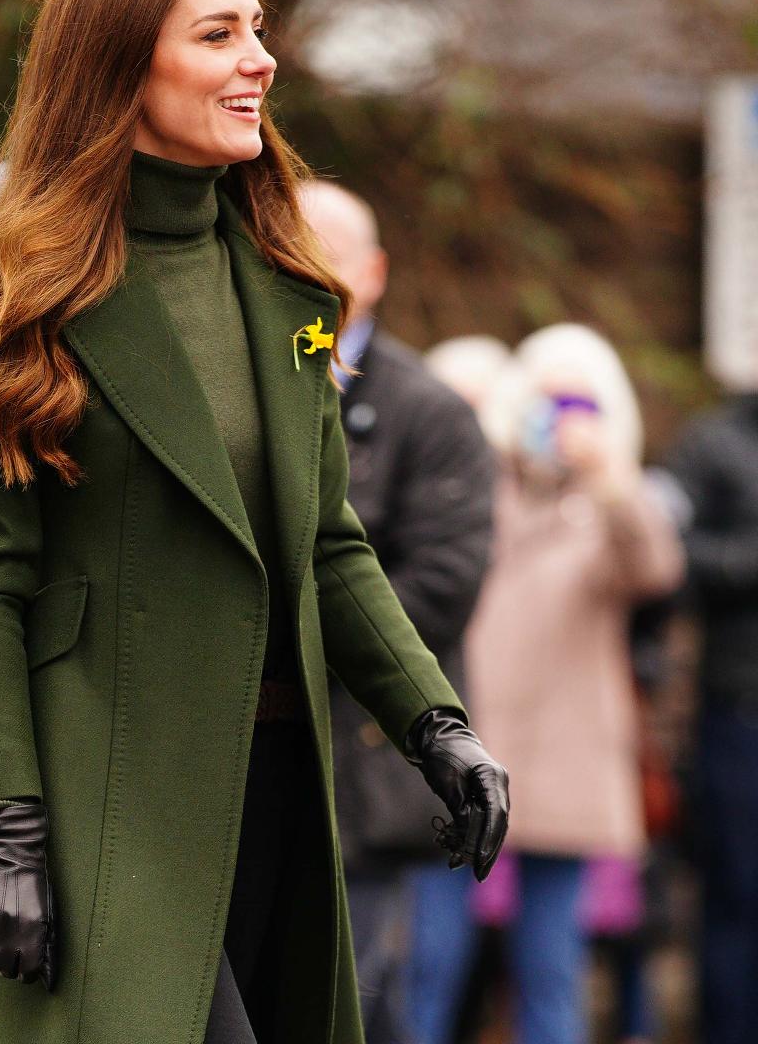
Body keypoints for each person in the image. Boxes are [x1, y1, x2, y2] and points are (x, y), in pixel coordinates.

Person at [0, 0, 510, 1044]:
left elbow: (327, 544)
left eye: (260, 29)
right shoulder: (19, 299)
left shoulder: (291, 291)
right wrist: (3, 825)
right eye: (219, 34)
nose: (262, 60)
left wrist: (436, 725)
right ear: (122, 64)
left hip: (282, 793)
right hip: (104, 802)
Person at [407, 324, 684, 1044]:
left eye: (579, 403)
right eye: (547, 398)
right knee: (430, 961)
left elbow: (657, 570)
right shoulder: (480, 485)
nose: (559, 419)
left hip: (568, 763)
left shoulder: (613, 506)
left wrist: (610, 479)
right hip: (468, 752)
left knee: (551, 969)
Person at [299, 182, 497, 1042]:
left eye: (328, 256)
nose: (306, 274)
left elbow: (445, 583)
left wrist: (308, 633)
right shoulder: (263, 378)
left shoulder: (428, 411)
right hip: (250, 753)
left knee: (351, 996)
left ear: (374, 274)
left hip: (364, 761)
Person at [666, 388, 758, 1044]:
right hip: (740, 713)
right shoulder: (714, 441)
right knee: (737, 893)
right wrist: (746, 561)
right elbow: (668, 555)